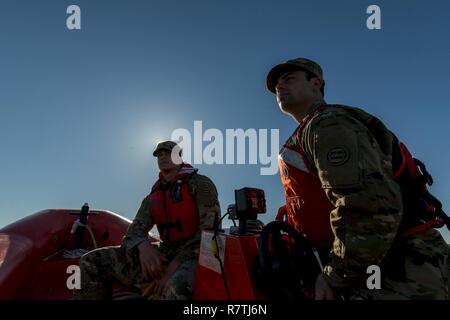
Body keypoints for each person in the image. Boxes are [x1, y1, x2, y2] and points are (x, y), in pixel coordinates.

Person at [266, 57, 449, 300]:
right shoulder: (310, 131)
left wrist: (336, 274)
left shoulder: (329, 124)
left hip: (396, 270)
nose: (280, 86)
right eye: (276, 84)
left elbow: (370, 204)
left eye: (289, 79)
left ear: (316, 84)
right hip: (381, 264)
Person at [76, 140, 220, 299]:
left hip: (195, 255)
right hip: (165, 251)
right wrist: (143, 246)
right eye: (159, 155)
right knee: (91, 261)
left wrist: (172, 268)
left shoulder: (201, 184)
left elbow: (209, 232)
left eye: (168, 154)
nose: (162, 158)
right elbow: (133, 232)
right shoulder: (153, 196)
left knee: (173, 289)